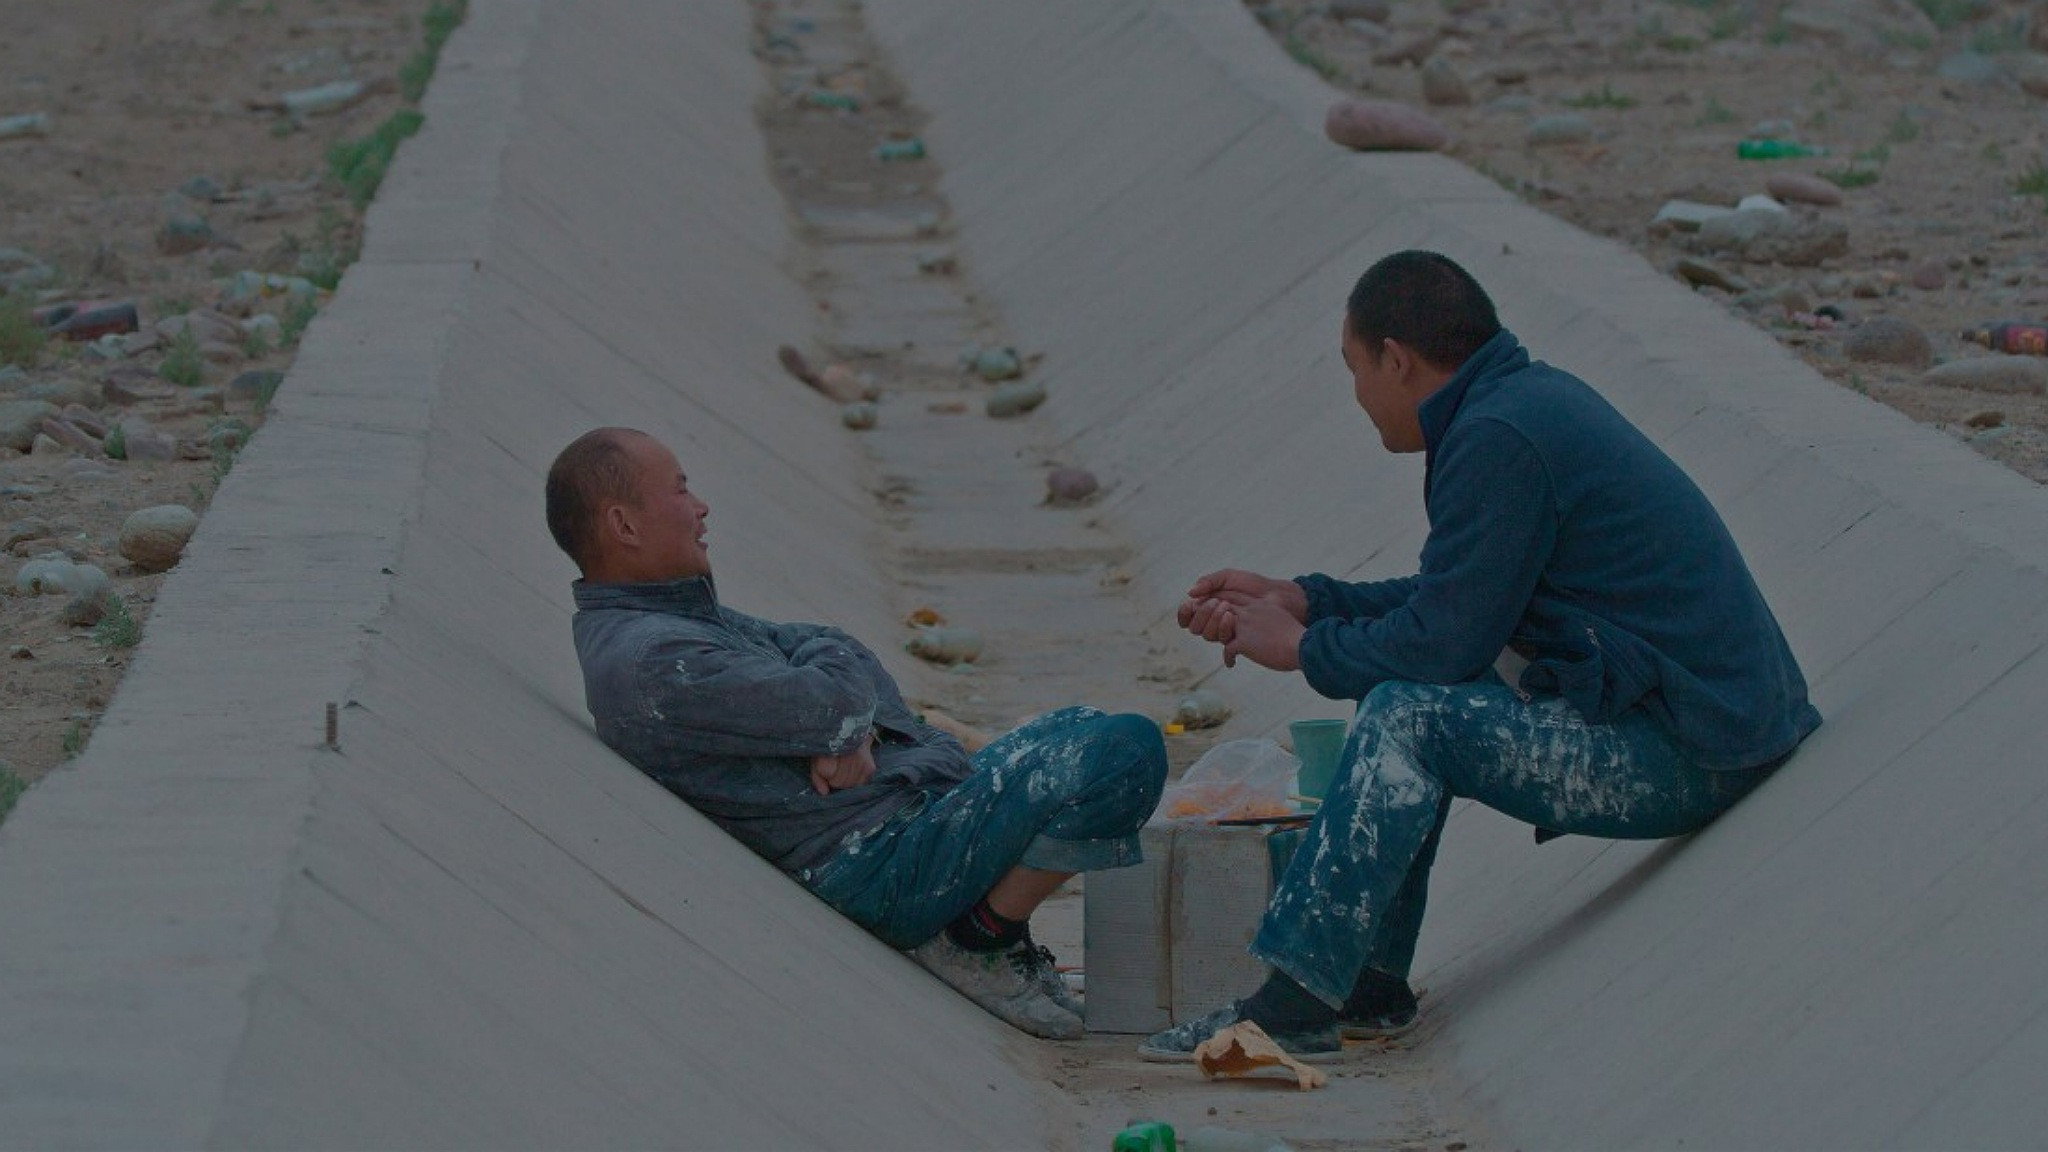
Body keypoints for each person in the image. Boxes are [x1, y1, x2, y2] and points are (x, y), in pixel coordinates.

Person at [1142, 251, 1821, 1061]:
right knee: (1401, 683)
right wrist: (1308, 600)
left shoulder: (1498, 436)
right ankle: (1366, 983)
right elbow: (1458, 599)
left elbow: (1443, 640)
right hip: (1726, 724)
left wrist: (1301, 649)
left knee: (1407, 712)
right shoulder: (1515, 406)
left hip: (1699, 750)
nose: (1357, 395)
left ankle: (1293, 1005)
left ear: (1396, 359)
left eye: (1355, 369)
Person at [546, 427, 1166, 1040]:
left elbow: (832, 651)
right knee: (1124, 751)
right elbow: (836, 692)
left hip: (904, 805)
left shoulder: (670, 615)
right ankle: (979, 938)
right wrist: (840, 716)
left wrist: (850, 732)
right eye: (681, 490)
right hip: (877, 857)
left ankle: (990, 924)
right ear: (625, 526)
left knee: (1080, 725)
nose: (701, 507)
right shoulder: (655, 659)